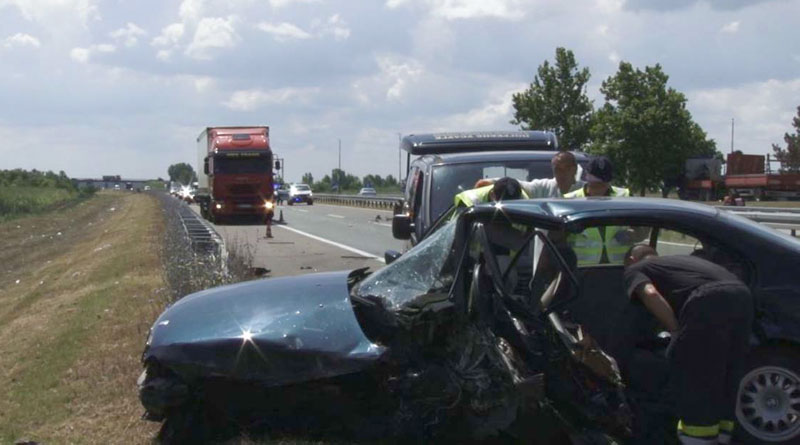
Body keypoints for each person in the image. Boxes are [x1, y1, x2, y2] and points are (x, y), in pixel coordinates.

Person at [622, 245, 753, 445]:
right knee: (725, 373)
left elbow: (650, 294)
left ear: (631, 259)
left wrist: (676, 330)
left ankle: (697, 438)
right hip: (742, 296)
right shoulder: (678, 263)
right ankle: (722, 435)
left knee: (695, 374)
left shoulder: (636, 268)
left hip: (707, 299)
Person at [474, 151, 584, 198]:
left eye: (566, 169)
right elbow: (518, 184)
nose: (561, 174)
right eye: (557, 170)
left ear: (574, 169)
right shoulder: (544, 187)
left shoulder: (586, 190)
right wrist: (492, 182)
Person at [563, 155, 630, 198]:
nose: (598, 187)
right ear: (586, 175)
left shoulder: (624, 195)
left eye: (601, 183)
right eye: (595, 182)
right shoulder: (570, 199)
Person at [454, 176, 528, 208]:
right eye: (504, 204)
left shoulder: (525, 203)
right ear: (492, 195)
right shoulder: (470, 201)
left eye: (512, 206)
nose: (508, 209)